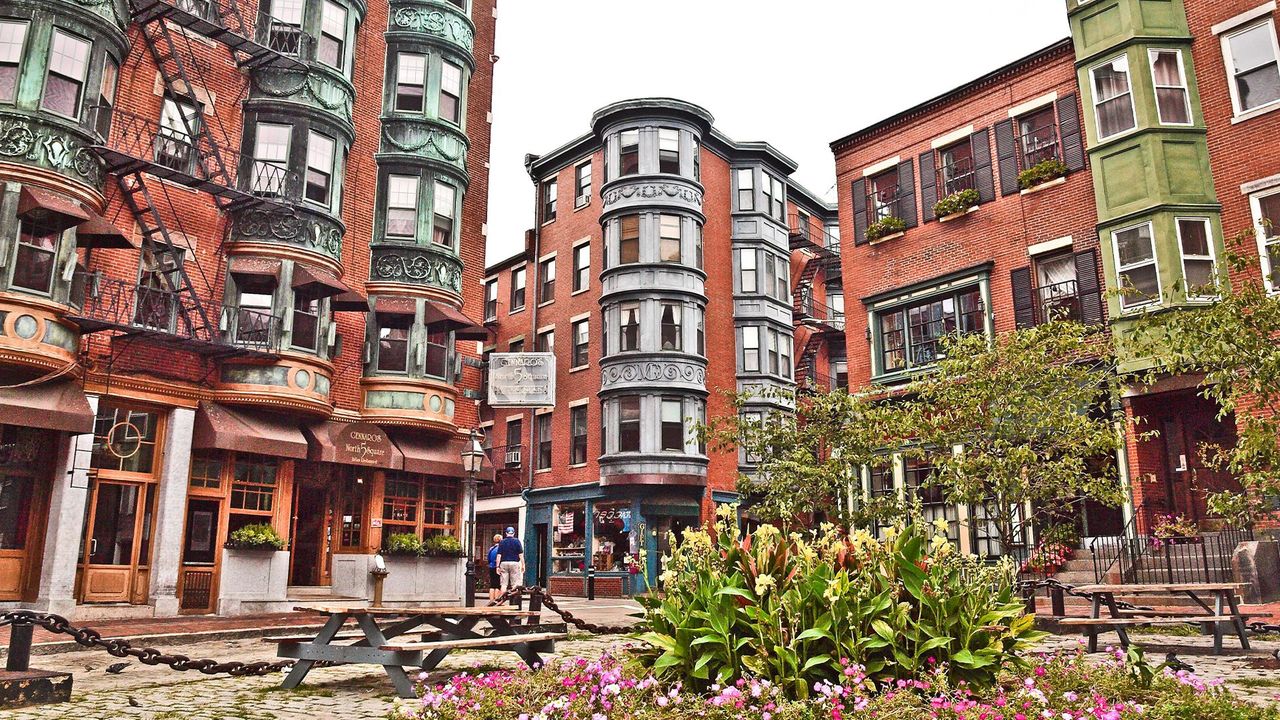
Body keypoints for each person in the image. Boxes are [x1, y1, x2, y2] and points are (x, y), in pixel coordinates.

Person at [496, 526, 524, 594]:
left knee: (503, 584)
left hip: (504, 563)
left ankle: (501, 601)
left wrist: (497, 567)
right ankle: (514, 601)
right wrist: (523, 565)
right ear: (513, 533)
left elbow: (499, 555)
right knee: (515, 584)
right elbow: (521, 555)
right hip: (514, 563)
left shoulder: (502, 542)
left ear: (506, 533)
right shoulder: (517, 541)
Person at [486, 533, 503, 602]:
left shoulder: (491, 549)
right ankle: (496, 600)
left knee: (492, 584)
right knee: (498, 584)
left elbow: (488, 558)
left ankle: (491, 600)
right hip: (498, 567)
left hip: (491, 567)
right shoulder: (500, 549)